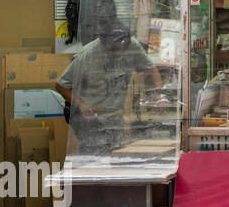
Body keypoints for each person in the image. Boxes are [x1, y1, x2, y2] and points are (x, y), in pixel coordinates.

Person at [54, 22, 160, 155]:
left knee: (115, 155)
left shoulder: (132, 45)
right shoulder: (86, 55)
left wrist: (157, 94)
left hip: (114, 115)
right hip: (88, 116)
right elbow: (61, 85)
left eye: (122, 51)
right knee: (95, 155)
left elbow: (151, 70)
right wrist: (81, 104)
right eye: (114, 52)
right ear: (103, 44)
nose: (119, 54)